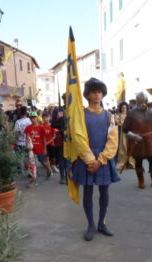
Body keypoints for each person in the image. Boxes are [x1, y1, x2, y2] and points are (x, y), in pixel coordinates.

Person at [71, 78, 119, 241]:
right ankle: (91, 224)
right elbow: (78, 138)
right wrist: (90, 160)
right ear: (88, 95)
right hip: (86, 159)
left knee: (104, 192)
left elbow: (113, 140)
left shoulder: (109, 116)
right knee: (88, 192)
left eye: (99, 91)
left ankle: (101, 223)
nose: (97, 94)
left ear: (103, 94)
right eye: (94, 91)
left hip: (103, 160)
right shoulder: (81, 115)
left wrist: (100, 160)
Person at [123, 92, 152, 189]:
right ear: (137, 102)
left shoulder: (151, 114)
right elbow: (125, 129)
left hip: (149, 140)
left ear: (147, 101)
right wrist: (134, 136)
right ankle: (141, 181)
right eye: (140, 102)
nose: (143, 104)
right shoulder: (131, 114)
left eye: (144, 101)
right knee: (138, 161)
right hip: (137, 141)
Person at [25, 112, 52, 182]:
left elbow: (44, 138)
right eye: (31, 118)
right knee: (31, 163)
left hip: (40, 147)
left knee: (42, 161)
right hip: (32, 149)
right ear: (30, 119)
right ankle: (33, 177)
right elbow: (27, 138)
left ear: (37, 118)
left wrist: (45, 148)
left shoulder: (41, 127)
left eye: (34, 117)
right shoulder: (28, 128)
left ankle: (48, 169)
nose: (33, 119)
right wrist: (27, 145)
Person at [115, 102, 135, 170]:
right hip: (122, 134)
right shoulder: (118, 115)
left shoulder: (130, 115)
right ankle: (122, 163)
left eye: (125, 108)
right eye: (123, 108)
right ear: (120, 108)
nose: (124, 109)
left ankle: (131, 163)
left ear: (127, 108)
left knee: (130, 147)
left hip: (130, 134)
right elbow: (119, 123)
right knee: (123, 148)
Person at [51, 99, 67, 184]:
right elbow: (53, 124)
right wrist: (58, 118)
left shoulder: (74, 108)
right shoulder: (58, 110)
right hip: (62, 137)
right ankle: (63, 177)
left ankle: (70, 176)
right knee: (62, 158)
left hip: (73, 138)